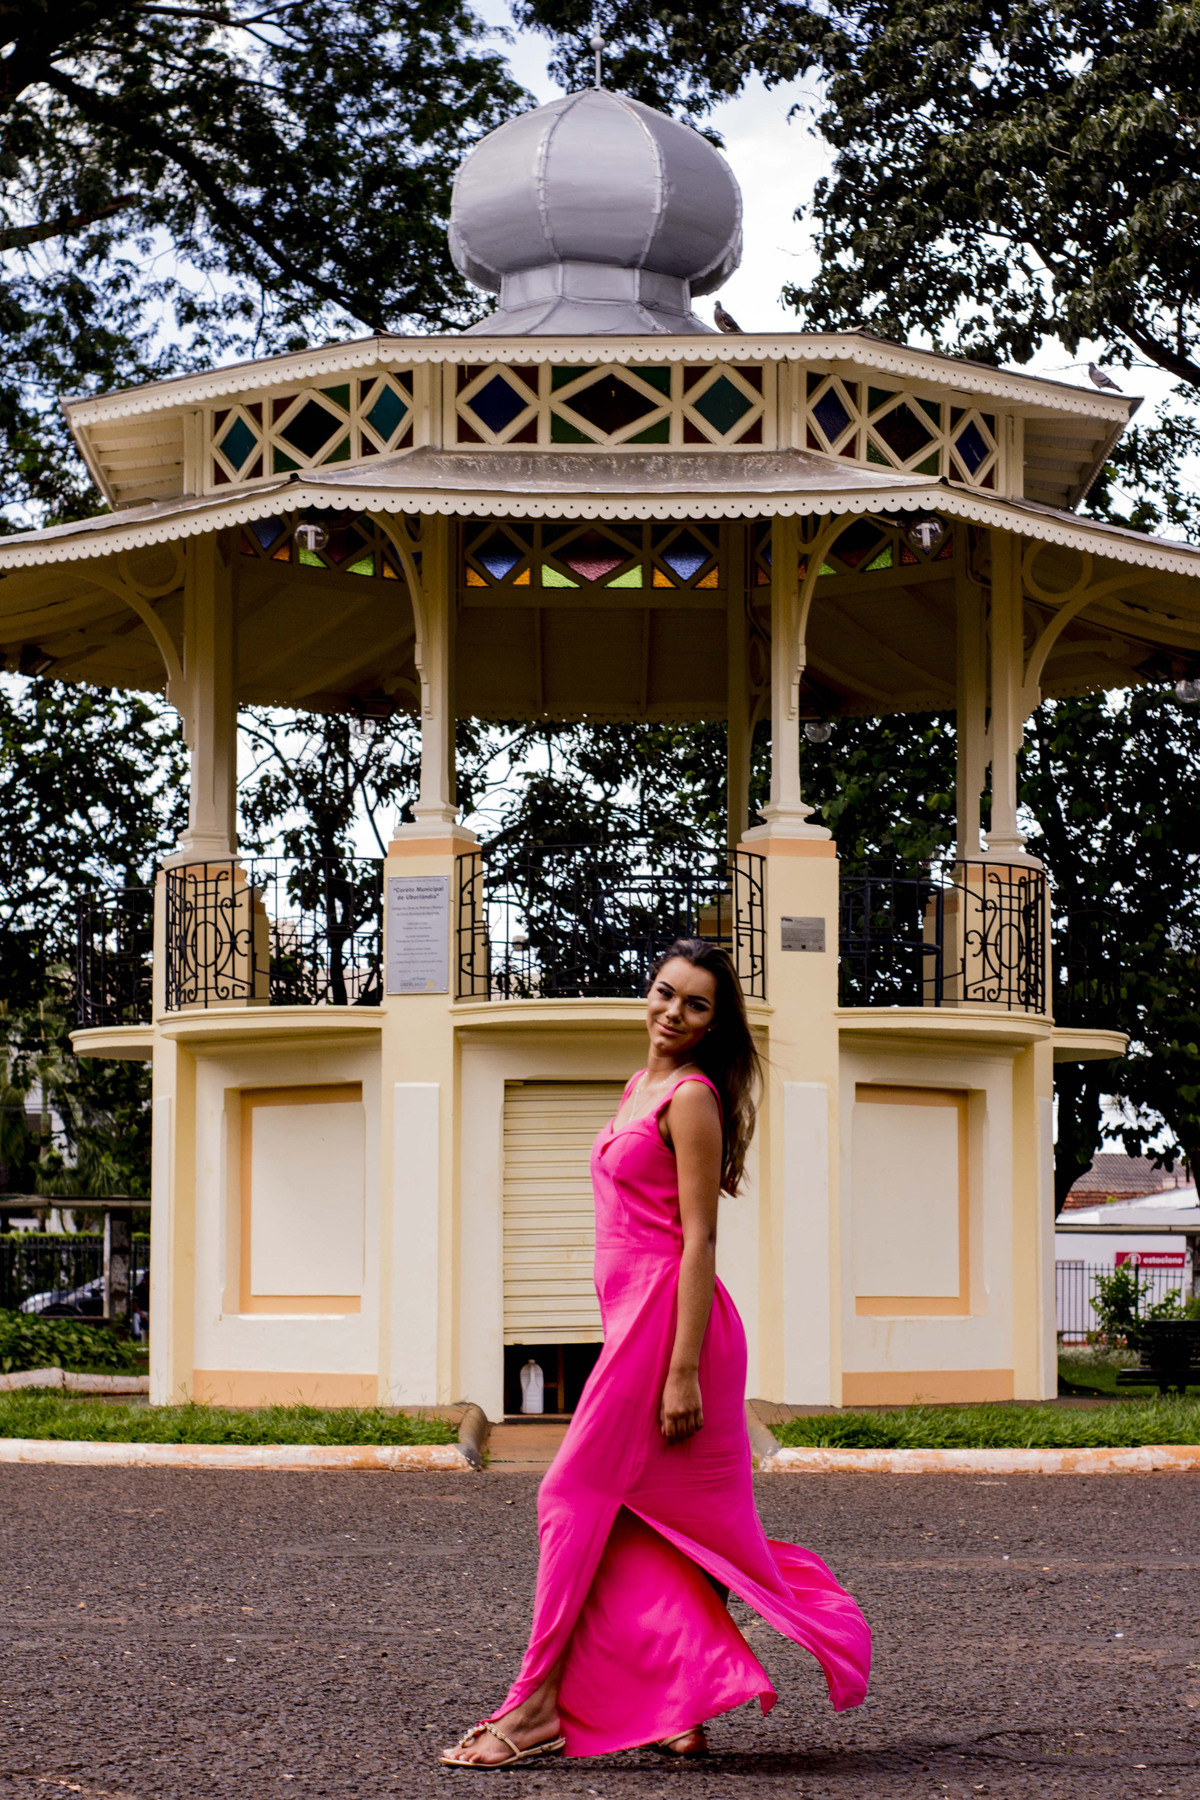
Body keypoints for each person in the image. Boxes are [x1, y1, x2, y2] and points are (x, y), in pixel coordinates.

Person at [443, 938, 871, 1768]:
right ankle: (683, 1699)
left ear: (714, 1024)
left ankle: (534, 1708)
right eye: (666, 992)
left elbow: (699, 1239)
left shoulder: (692, 1098)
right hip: (638, 1324)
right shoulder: (639, 1086)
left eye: (695, 1003)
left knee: (569, 1496)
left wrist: (680, 1372)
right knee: (665, 1527)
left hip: (674, 1332)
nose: (673, 1011)